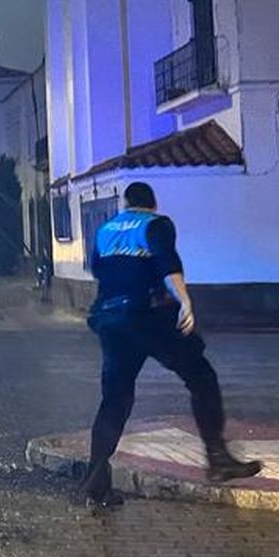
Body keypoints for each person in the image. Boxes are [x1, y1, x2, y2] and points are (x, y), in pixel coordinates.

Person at [81, 181, 261, 508]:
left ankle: (96, 480)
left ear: (126, 203)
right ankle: (218, 459)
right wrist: (185, 301)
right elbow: (168, 263)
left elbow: (97, 269)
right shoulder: (156, 224)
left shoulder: (106, 230)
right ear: (152, 204)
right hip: (148, 316)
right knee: (201, 377)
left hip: (110, 319)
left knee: (116, 398)